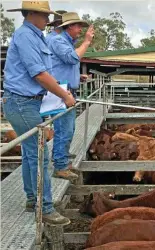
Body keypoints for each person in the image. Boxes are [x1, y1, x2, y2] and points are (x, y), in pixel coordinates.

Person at [3, 1, 75, 225]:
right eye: (44, 15)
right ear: (32, 14)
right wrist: (64, 96)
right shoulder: (26, 36)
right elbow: (39, 74)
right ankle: (44, 208)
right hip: (22, 101)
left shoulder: (36, 36)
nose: (48, 20)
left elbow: (44, 74)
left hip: (28, 102)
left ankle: (32, 198)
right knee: (40, 154)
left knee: (30, 152)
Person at [47, 12, 94, 181]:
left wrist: (76, 77)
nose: (80, 29)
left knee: (66, 128)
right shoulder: (58, 41)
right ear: (70, 26)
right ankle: (60, 165)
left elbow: (64, 64)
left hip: (65, 88)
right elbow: (72, 58)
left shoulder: (63, 41)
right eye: (78, 26)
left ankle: (61, 159)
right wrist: (87, 41)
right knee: (64, 128)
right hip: (62, 91)